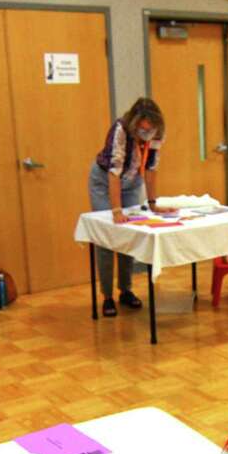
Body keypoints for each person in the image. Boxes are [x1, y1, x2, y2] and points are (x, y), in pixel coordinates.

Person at [89, 98, 166, 317]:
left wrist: (152, 204)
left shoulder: (159, 131)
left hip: (131, 182)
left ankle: (125, 290)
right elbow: (114, 171)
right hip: (105, 182)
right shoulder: (121, 129)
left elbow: (151, 168)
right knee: (107, 236)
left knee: (128, 235)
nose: (147, 132)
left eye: (151, 129)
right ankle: (107, 296)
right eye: (143, 128)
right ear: (135, 123)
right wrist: (116, 211)